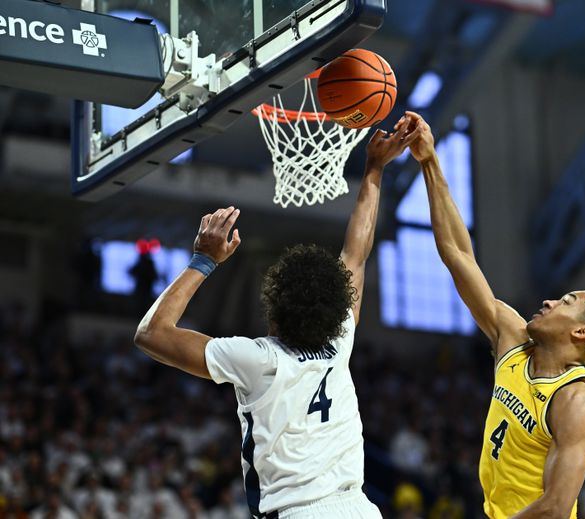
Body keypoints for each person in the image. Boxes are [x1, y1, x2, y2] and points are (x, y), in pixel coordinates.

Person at [133, 116, 414, 519]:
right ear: (334, 305)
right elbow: (356, 253)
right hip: (359, 509)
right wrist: (373, 169)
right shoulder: (339, 340)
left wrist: (203, 260)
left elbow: (151, 333)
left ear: (274, 306)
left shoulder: (257, 359)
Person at [401, 111, 585, 519]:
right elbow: (459, 256)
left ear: (582, 331)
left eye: (566, 302)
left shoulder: (575, 399)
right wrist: (429, 161)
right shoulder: (513, 340)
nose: (551, 302)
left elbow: (554, 507)